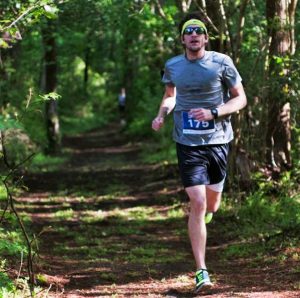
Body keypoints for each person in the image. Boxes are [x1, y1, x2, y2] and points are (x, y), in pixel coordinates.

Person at [152, 13, 247, 293]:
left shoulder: (221, 63)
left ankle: (207, 212)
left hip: (218, 140)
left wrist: (214, 112)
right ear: (183, 39)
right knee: (197, 200)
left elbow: (240, 98)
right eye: (189, 31)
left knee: (212, 203)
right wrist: (161, 115)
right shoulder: (173, 66)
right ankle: (201, 271)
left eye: (199, 31)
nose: (194, 35)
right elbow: (171, 95)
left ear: (205, 37)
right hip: (187, 141)